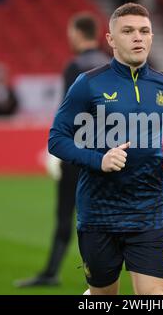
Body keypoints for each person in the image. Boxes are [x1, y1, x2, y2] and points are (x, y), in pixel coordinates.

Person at [49, 3, 163, 295]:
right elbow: (57, 138)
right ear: (111, 39)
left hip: (149, 215)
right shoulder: (88, 84)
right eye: (127, 31)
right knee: (103, 296)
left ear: (152, 37)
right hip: (98, 215)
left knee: (153, 298)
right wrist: (99, 160)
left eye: (144, 31)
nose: (137, 37)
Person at [15, 14, 110, 287]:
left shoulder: (76, 67)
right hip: (105, 155)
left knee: (66, 213)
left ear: (80, 34)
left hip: (78, 154)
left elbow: (70, 114)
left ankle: (51, 272)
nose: (68, 37)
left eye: (71, 32)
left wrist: (58, 150)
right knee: (101, 215)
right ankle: (107, 276)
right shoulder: (110, 66)